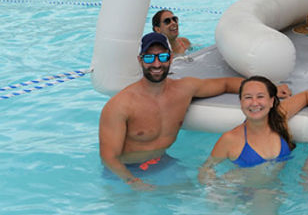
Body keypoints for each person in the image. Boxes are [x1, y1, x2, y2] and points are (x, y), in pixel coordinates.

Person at [98, 32, 289, 189]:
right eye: (149, 57)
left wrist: (268, 87)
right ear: (140, 61)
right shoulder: (120, 106)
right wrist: (132, 182)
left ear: (170, 58)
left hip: (163, 162)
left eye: (162, 56)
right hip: (124, 172)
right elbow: (108, 157)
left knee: (194, 197)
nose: (156, 64)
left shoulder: (184, 89)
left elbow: (224, 84)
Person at [197, 76, 308, 183]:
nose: (254, 103)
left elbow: (307, 95)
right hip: (247, 191)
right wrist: (215, 187)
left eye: (260, 97)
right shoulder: (230, 139)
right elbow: (205, 169)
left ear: (271, 101)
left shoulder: (279, 119)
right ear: (241, 102)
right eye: (248, 97)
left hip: (279, 187)